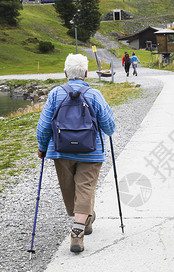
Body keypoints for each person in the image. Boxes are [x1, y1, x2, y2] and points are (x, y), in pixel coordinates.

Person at [37, 53, 116, 253]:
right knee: (85, 188)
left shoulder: (56, 94)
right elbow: (109, 127)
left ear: (65, 72)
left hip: (61, 150)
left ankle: (81, 224)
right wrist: (109, 129)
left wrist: (42, 146)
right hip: (91, 151)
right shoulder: (94, 95)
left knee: (69, 188)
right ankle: (80, 229)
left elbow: (44, 125)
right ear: (86, 74)